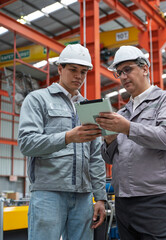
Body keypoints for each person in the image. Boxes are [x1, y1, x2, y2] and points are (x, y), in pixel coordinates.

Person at [18, 44, 107, 240]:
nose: (79, 76)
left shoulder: (89, 107)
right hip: (49, 192)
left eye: (83, 72)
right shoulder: (38, 100)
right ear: (60, 69)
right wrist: (67, 137)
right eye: (73, 70)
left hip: (83, 196)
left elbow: (95, 157)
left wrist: (100, 196)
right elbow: (26, 143)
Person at [96, 45, 166, 239]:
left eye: (128, 69)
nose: (124, 76)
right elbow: (108, 158)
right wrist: (110, 140)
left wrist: (127, 128)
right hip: (124, 201)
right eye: (120, 73)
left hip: (156, 199)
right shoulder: (121, 113)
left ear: (145, 68)